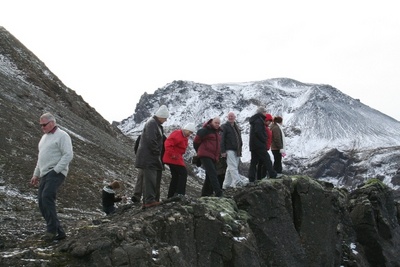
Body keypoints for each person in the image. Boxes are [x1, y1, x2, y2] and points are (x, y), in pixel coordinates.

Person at [30, 112, 73, 242]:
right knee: (42, 202)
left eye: (44, 125)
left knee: (47, 196)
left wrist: (56, 170)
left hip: (55, 172)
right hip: (44, 173)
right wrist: (36, 174)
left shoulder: (62, 136)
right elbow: (41, 158)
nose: (42, 127)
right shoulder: (44, 138)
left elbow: (68, 155)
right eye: (41, 125)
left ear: (52, 122)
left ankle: (51, 230)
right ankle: (59, 232)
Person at [135, 105, 169, 208]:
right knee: (150, 180)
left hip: (150, 157)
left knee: (151, 179)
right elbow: (151, 140)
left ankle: (149, 200)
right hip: (149, 158)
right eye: (165, 118)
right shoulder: (152, 124)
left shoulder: (155, 124)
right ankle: (149, 201)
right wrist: (157, 152)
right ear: (161, 116)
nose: (166, 120)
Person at [163, 123, 196, 198]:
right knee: (183, 173)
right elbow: (168, 143)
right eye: (189, 132)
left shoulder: (184, 137)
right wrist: (172, 154)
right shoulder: (177, 134)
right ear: (186, 129)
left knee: (175, 176)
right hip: (173, 158)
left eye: (191, 133)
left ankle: (171, 195)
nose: (190, 134)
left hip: (175, 158)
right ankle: (180, 193)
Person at [193, 117, 224, 197]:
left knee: (209, 175)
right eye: (215, 123)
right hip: (205, 154)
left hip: (213, 156)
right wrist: (199, 151)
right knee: (212, 173)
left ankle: (206, 194)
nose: (217, 124)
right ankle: (218, 192)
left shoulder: (217, 132)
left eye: (218, 123)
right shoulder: (206, 130)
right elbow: (196, 141)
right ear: (211, 122)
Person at [248, 107, 277, 183]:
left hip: (253, 145)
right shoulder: (259, 121)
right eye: (264, 112)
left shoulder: (255, 120)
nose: (265, 113)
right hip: (259, 145)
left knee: (253, 162)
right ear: (261, 112)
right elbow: (259, 132)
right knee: (267, 159)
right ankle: (272, 174)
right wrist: (264, 138)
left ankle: (251, 178)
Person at [220, 112, 243, 189]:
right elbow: (221, 139)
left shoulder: (236, 127)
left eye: (232, 116)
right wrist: (223, 151)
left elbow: (239, 138)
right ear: (227, 117)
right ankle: (237, 182)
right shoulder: (224, 127)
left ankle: (226, 185)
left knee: (230, 167)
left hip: (237, 150)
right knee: (233, 166)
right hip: (229, 149)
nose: (230, 117)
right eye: (229, 116)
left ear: (234, 117)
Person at [257, 113, 273, 179]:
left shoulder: (265, 128)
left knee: (261, 163)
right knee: (267, 162)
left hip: (265, 147)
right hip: (263, 148)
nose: (270, 123)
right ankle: (263, 176)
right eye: (269, 121)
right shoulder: (264, 128)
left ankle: (260, 177)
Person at [131, 135, 143, 203]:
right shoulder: (160, 135)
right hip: (152, 162)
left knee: (140, 178)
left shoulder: (141, 136)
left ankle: (137, 196)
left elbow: (136, 148)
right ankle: (151, 198)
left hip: (143, 161)